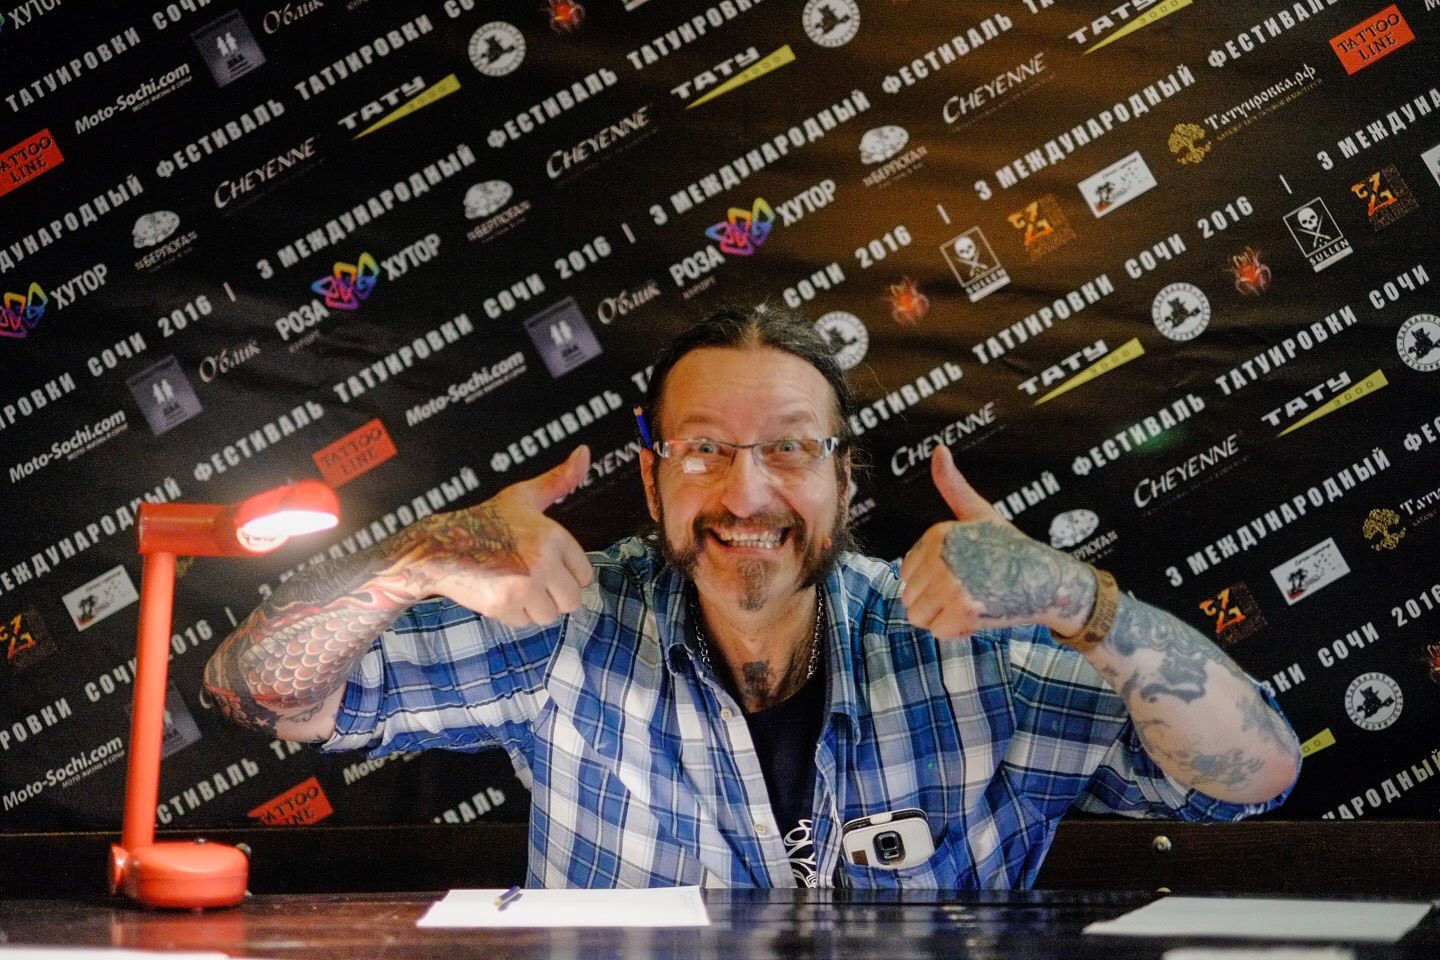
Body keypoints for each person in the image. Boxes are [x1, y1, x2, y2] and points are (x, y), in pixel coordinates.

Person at [204, 305, 1300, 889]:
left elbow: (1254, 777)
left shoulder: (976, 653)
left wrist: (1078, 601)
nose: (747, 494)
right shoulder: (563, 632)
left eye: (789, 449)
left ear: (845, 481)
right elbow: (259, 696)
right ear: (651, 482)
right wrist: (417, 559)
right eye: (704, 450)